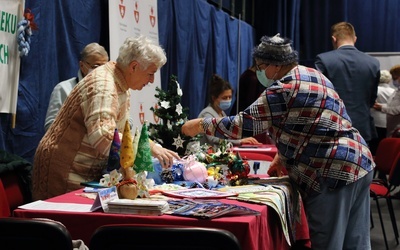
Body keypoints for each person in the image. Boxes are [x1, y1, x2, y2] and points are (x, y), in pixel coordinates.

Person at [182, 34, 375, 250]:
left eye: (261, 66)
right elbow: (313, 124)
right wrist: (282, 156)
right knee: (356, 243)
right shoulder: (315, 75)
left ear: (274, 66)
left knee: (328, 243)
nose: (260, 72)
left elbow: (242, 125)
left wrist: (201, 124)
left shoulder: (282, 89)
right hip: (359, 162)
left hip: (330, 172)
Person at [33, 35, 180, 200]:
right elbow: (104, 138)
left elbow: (124, 130)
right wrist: (147, 147)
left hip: (80, 172)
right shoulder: (104, 85)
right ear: (133, 67)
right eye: (151, 73)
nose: (152, 80)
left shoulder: (121, 84)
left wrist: (152, 145)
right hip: (63, 174)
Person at [315, 21, 380, 146]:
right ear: (355, 39)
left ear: (334, 39)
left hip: (333, 127)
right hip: (363, 128)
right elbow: (372, 98)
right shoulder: (373, 62)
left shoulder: (324, 60)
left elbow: (318, 95)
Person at [44, 43, 109, 131]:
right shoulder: (63, 89)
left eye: (104, 67)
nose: (101, 71)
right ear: (82, 66)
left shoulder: (110, 89)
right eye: (96, 66)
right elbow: (50, 126)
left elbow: (127, 121)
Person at [198, 74, 260, 149]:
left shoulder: (221, 113)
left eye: (230, 97)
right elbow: (213, 138)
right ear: (214, 98)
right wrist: (239, 141)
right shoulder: (207, 114)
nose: (228, 100)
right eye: (224, 97)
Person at [369, 70, 395, 154]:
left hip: (375, 121)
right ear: (389, 79)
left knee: (374, 146)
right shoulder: (393, 92)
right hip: (388, 121)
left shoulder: (373, 90)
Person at [373, 65, 400, 138]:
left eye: (395, 78)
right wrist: (380, 106)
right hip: (392, 128)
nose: (393, 81)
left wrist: (382, 108)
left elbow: (398, 109)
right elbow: (391, 105)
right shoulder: (396, 91)